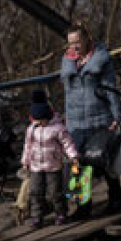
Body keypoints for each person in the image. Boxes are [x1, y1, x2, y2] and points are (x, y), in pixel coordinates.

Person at [61, 22, 121, 217]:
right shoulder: (68, 61)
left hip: (99, 119)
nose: (74, 47)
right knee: (79, 165)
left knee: (103, 160)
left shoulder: (100, 60)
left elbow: (110, 89)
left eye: (77, 42)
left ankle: (116, 196)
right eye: (70, 43)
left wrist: (117, 116)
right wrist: (65, 119)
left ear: (86, 39)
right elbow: (67, 94)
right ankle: (84, 205)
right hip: (76, 122)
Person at [20, 90, 78, 227]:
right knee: (35, 191)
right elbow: (27, 146)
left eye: (41, 120)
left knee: (55, 192)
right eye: (36, 120)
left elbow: (67, 143)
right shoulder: (31, 129)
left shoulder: (57, 128)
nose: (39, 122)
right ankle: (36, 216)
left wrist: (73, 156)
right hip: (36, 166)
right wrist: (25, 161)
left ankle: (61, 213)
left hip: (53, 165)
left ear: (47, 117)